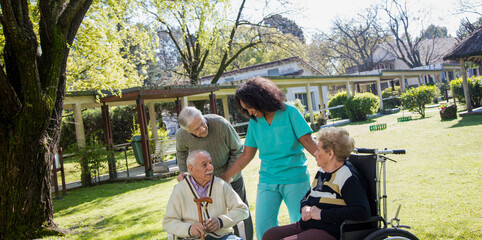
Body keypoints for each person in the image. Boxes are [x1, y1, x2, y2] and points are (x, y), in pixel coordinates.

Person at [220, 77, 318, 240]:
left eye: (250, 107)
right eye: (245, 109)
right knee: (264, 229)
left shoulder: (290, 112)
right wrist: (224, 177)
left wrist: (332, 164)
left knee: (302, 224)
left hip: (295, 178)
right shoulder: (255, 122)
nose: (249, 112)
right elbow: (246, 155)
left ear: (261, 99)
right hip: (268, 179)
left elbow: (308, 142)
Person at [262, 127, 370, 240]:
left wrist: (322, 214)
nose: (315, 153)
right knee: (270, 235)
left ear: (330, 153)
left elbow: (361, 211)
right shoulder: (322, 171)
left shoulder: (347, 176)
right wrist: (305, 207)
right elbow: (307, 196)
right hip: (307, 225)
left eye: (318, 150)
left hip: (329, 231)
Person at [175, 106, 253, 240]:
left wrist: (227, 176)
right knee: (213, 216)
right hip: (204, 181)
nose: (203, 129)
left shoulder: (221, 124)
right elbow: (181, 153)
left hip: (230, 174)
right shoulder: (182, 135)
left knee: (240, 211)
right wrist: (183, 171)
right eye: (196, 129)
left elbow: (238, 150)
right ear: (187, 131)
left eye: (202, 123)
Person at [163, 150, 249, 240]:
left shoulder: (221, 185)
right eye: (204, 165)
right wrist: (189, 229)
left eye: (211, 163)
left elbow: (242, 210)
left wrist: (220, 221)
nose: (211, 168)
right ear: (191, 168)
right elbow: (168, 222)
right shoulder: (179, 190)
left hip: (222, 237)